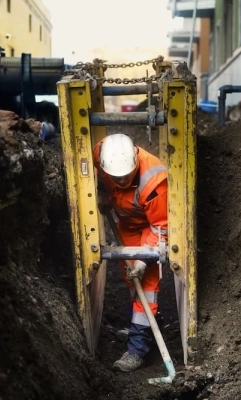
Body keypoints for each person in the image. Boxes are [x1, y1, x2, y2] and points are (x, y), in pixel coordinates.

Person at [92, 133, 168, 372]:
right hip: (127, 224)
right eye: (117, 177)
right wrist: (103, 193)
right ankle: (143, 324)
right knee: (129, 276)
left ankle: (137, 349)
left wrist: (145, 259)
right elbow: (95, 176)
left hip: (150, 228)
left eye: (126, 175)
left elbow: (161, 226)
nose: (122, 179)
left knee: (145, 282)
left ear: (135, 162)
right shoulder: (101, 154)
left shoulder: (155, 182)